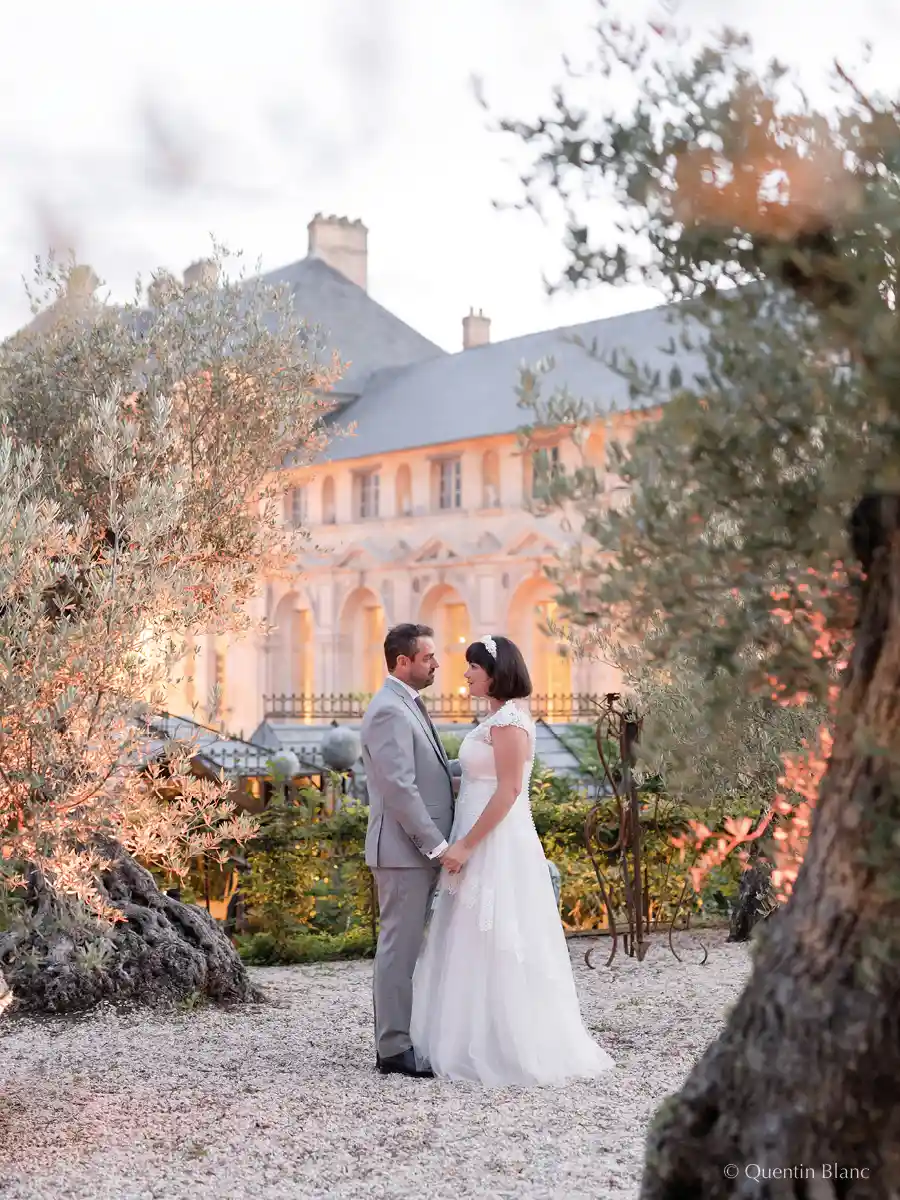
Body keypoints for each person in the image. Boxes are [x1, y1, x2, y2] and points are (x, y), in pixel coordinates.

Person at [410, 634, 614, 1086]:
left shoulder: (509, 722)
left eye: (473, 669)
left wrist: (465, 846)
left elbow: (508, 791)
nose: (465, 675)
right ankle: (467, 1034)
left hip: (495, 841)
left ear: (495, 674)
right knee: (467, 935)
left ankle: (503, 1044)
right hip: (476, 829)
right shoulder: (496, 718)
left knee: (499, 933)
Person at [360, 623, 456, 1079]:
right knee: (398, 949)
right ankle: (393, 1049)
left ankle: (402, 1037)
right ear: (403, 662)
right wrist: (436, 845)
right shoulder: (388, 711)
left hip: (412, 852)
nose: (436, 664)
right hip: (403, 852)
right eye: (428, 657)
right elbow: (400, 788)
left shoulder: (405, 705)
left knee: (407, 947)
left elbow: (431, 772)